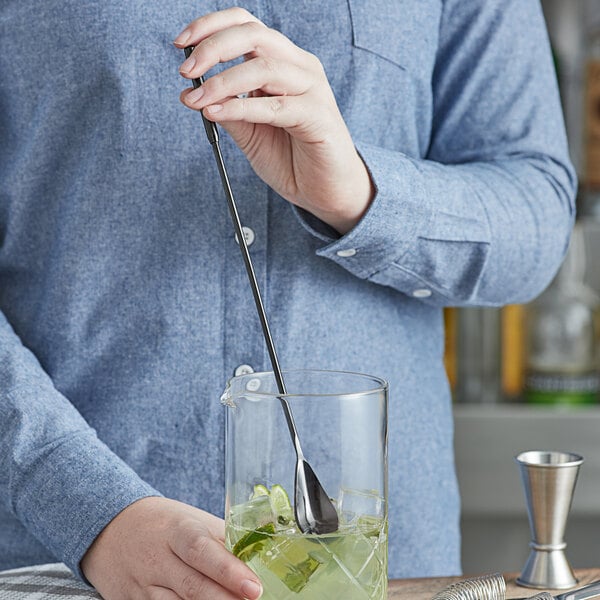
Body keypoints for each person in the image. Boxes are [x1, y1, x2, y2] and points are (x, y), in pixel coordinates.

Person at [0, 2, 575, 599]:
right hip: (65, 567)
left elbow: (535, 227)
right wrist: (91, 511)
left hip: (380, 574)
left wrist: (360, 193)